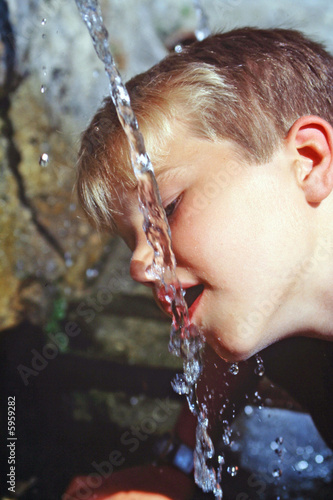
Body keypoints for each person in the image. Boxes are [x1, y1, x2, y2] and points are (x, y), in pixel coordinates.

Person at [64, 28, 333, 499]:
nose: (138, 266)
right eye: (132, 240)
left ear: (308, 161)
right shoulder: (277, 302)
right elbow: (223, 350)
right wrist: (180, 464)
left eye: (167, 211)